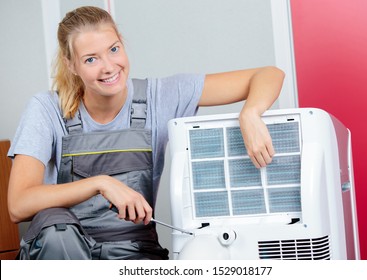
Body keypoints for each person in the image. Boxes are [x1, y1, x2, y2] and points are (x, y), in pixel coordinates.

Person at [7, 6, 284, 260]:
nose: (108, 67)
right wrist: (101, 183)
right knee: (56, 233)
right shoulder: (46, 109)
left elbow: (269, 75)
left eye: (113, 49)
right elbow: (19, 205)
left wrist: (250, 113)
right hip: (64, 253)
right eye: (91, 59)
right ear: (71, 65)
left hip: (134, 253)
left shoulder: (160, 96)